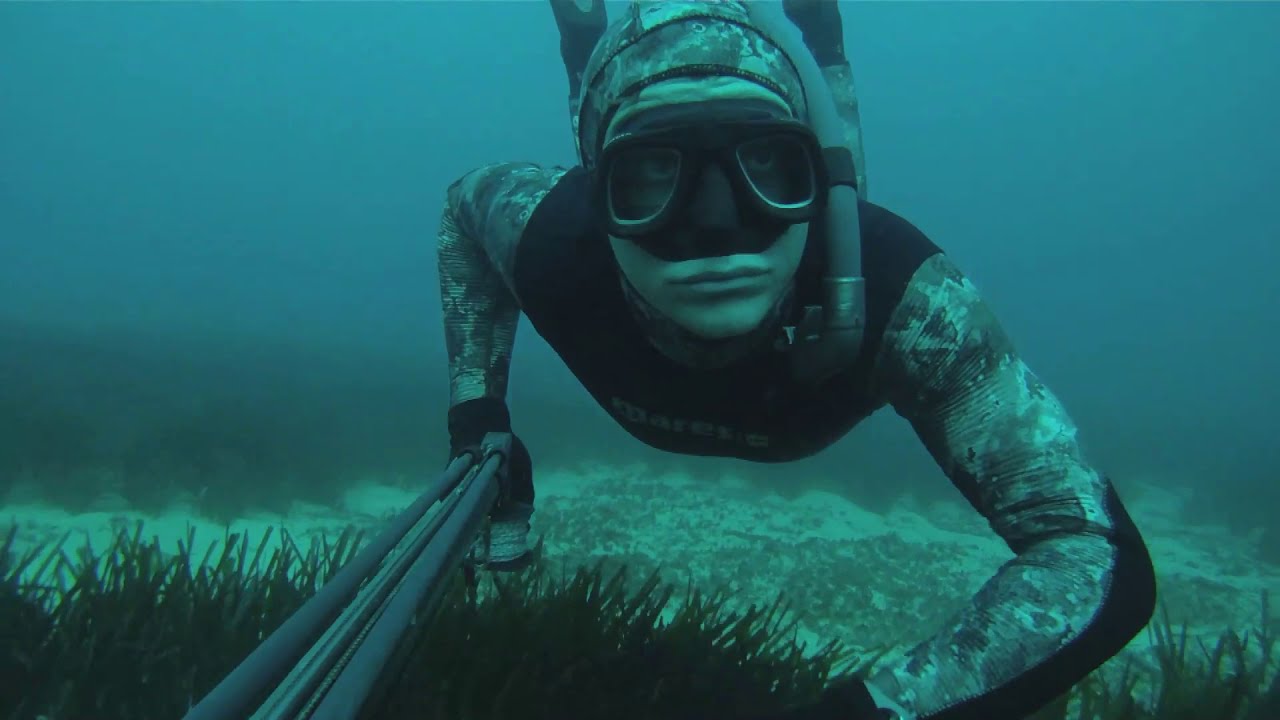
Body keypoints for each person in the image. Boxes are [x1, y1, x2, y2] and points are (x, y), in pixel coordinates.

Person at [437, 1, 1157, 718]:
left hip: (834, 245)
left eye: (770, 168)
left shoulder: (905, 302)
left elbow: (1088, 548)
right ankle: (594, 55)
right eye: (650, 175)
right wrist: (479, 412)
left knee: (850, 190)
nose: (718, 224)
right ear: (599, 195)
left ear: (810, 178)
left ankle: (819, 41)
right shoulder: (551, 236)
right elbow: (461, 211)